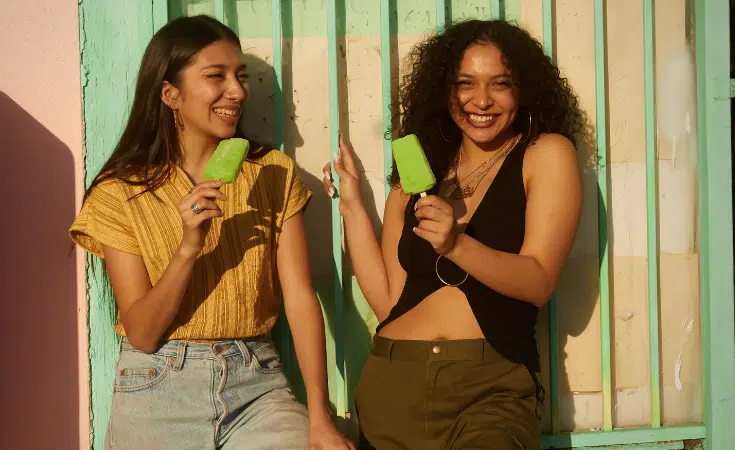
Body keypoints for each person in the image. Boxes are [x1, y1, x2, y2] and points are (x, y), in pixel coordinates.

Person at [70, 15, 354, 450]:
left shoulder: (271, 173)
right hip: (156, 386)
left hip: (256, 383)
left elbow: (298, 295)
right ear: (170, 94)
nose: (237, 91)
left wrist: (320, 415)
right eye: (216, 76)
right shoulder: (118, 194)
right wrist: (188, 246)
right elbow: (143, 332)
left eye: (240, 76)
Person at [323, 19, 583, 449]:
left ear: (524, 88)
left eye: (500, 84)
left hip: (487, 388)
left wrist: (457, 244)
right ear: (445, 91)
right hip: (390, 383)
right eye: (466, 83)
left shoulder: (545, 153)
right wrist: (351, 205)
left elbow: (539, 282)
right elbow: (389, 299)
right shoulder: (417, 169)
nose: (481, 100)